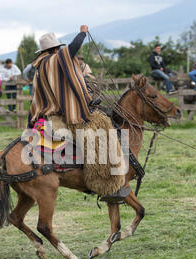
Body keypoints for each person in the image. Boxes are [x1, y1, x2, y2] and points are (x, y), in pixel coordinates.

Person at [29, 25, 128, 201]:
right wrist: (82, 32)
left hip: (46, 114)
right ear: (54, 49)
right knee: (101, 127)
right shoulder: (54, 60)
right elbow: (72, 49)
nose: (60, 50)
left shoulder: (39, 67)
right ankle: (104, 183)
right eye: (58, 48)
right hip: (61, 116)